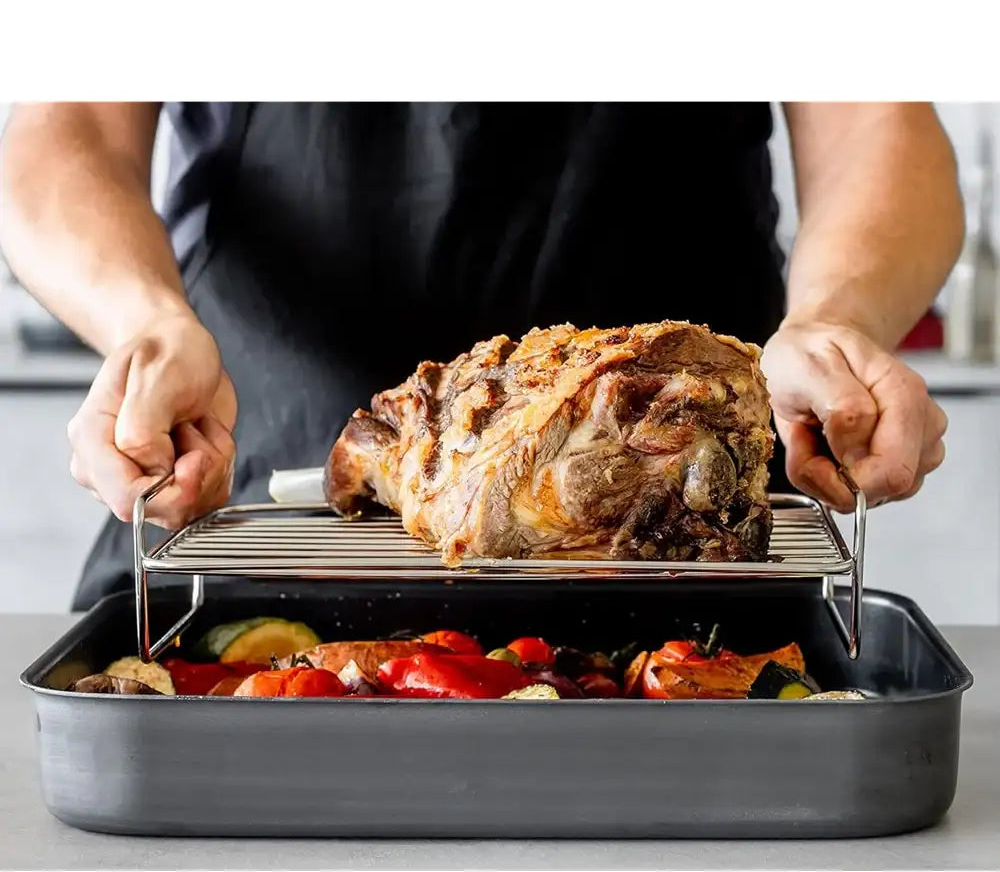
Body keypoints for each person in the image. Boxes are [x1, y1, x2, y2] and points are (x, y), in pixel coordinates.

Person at [0, 102, 962, 610]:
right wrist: (144, 321)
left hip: (684, 523)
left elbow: (874, 118)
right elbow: (66, 122)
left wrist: (835, 322)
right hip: (255, 485)